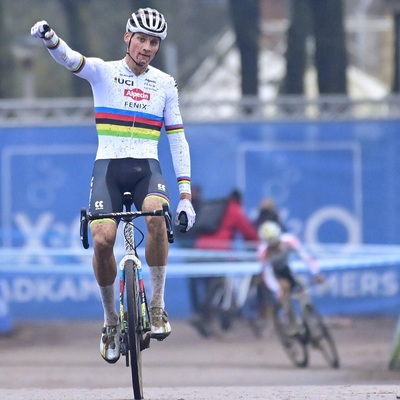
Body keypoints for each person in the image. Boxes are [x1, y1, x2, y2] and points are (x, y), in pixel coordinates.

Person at [30, 8, 196, 364]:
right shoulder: (104, 72)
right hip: (108, 168)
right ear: (127, 38)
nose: (148, 47)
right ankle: (109, 322)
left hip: (147, 168)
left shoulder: (165, 83)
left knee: (155, 217)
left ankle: (157, 306)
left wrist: (185, 196)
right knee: (103, 240)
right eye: (142, 39)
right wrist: (50, 40)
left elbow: (178, 141)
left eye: (154, 42)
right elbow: (71, 59)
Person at [191, 190, 258, 337]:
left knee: (212, 285)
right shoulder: (234, 209)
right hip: (218, 252)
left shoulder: (217, 207)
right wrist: (258, 246)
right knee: (217, 282)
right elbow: (248, 232)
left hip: (200, 249)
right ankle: (203, 316)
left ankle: (207, 319)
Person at [257, 221, 323, 329]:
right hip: (275, 274)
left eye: (276, 243)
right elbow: (267, 275)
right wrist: (277, 289)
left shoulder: (289, 241)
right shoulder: (263, 252)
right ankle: (288, 318)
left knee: (302, 289)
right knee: (284, 287)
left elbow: (306, 257)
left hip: (285, 269)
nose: (275, 248)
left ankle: (306, 314)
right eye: (272, 246)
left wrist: (316, 273)